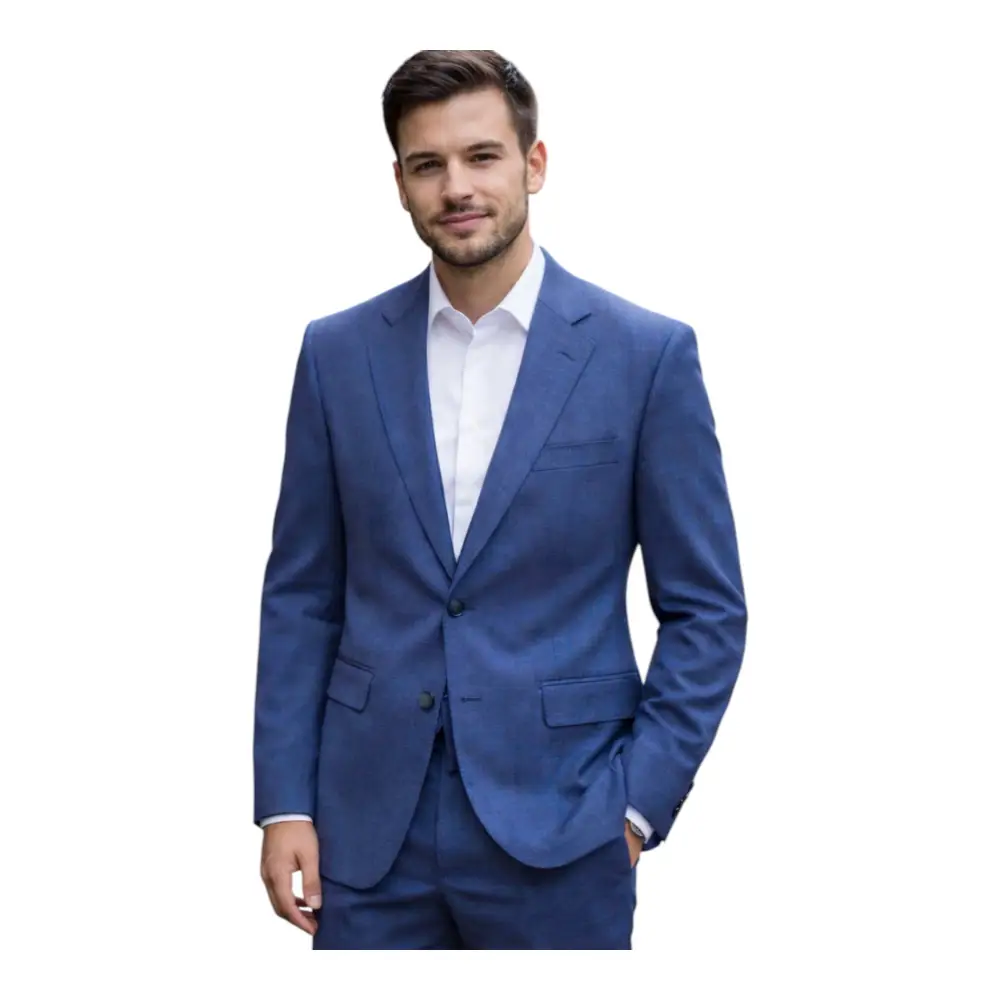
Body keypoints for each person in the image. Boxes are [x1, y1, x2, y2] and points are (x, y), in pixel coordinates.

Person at [253, 49, 747, 950]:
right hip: (367, 830)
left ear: (534, 164)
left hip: (566, 826)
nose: (456, 187)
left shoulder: (645, 357)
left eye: (482, 156)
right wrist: (286, 801)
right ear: (399, 184)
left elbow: (707, 610)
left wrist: (637, 805)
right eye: (427, 164)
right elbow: (302, 595)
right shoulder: (337, 354)